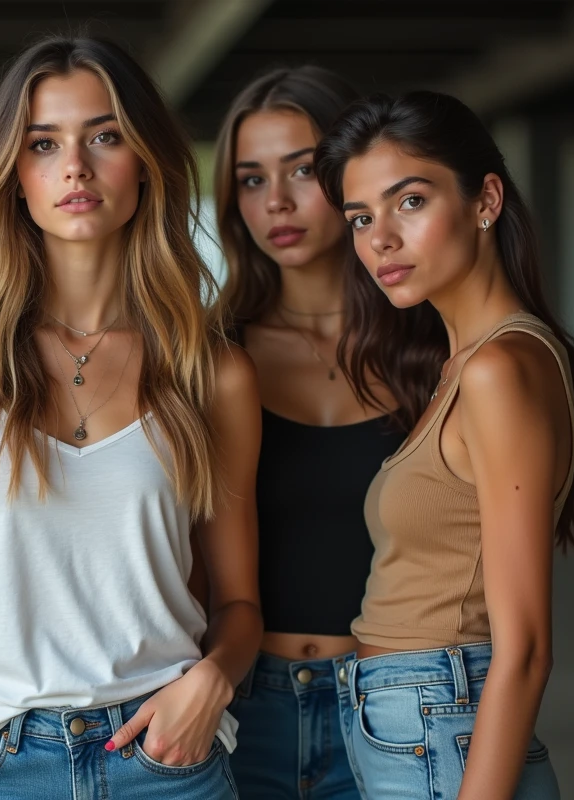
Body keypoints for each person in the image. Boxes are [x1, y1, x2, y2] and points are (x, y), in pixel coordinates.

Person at [0, 35, 263, 800]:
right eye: (43, 143)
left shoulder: (209, 370)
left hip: (167, 759)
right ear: (13, 175)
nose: (75, 167)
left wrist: (213, 678)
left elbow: (239, 603)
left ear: (147, 162)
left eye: (105, 137)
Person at [316, 90, 574, 799]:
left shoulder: (500, 369)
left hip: (442, 730)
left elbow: (524, 648)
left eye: (409, 203)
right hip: (417, 727)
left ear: (485, 200)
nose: (380, 240)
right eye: (361, 218)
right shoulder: (462, 366)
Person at [212, 66, 412, 799]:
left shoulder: (429, 352)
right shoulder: (207, 356)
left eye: (303, 171)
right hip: (240, 705)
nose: (278, 202)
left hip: (392, 702)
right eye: (251, 179)